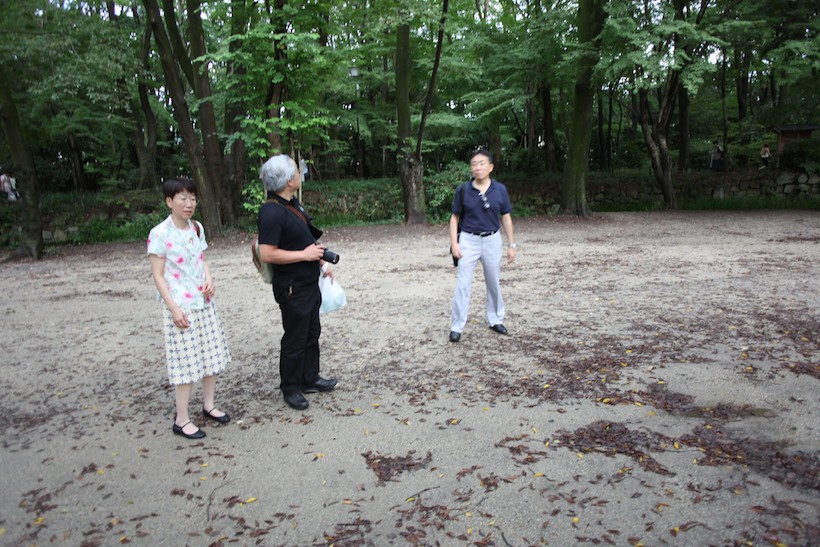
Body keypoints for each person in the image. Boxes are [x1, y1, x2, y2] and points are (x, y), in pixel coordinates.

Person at [147, 177, 231, 440]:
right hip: (181, 306)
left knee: (210, 355)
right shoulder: (159, 233)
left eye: (192, 198)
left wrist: (209, 280)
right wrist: (173, 309)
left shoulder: (196, 227)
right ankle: (181, 420)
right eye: (182, 198)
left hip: (203, 301)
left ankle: (209, 405)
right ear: (169, 201)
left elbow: (201, 258)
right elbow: (158, 275)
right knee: (185, 362)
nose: (189, 204)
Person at [257, 154, 338, 410]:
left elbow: (304, 240)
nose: (299, 173)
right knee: (295, 337)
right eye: (296, 171)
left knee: (312, 332)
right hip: (292, 286)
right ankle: (290, 387)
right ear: (287, 180)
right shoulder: (271, 212)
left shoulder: (292, 204)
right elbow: (267, 253)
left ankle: (309, 378)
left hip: (308, 281)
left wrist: (321, 262)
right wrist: (305, 255)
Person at [448, 148, 516, 343]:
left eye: (481, 164)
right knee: (463, 284)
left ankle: (496, 319)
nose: (477, 168)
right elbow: (454, 218)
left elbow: (506, 217)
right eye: (474, 164)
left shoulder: (499, 190)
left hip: (492, 240)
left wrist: (511, 245)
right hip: (468, 240)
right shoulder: (463, 190)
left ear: (490, 167)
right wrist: (454, 244)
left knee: (493, 282)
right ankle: (456, 326)